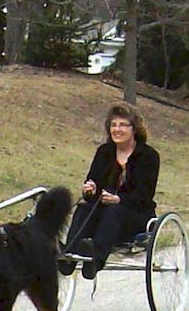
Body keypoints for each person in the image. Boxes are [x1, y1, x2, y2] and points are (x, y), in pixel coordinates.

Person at [59, 102, 160, 279]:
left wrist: (119, 199)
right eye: (113, 125)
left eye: (122, 125)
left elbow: (144, 195)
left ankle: (96, 260)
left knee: (115, 211)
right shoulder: (104, 152)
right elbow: (93, 185)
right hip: (103, 211)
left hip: (135, 214)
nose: (117, 130)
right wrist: (90, 189)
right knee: (83, 207)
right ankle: (69, 255)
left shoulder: (149, 156)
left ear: (134, 129)